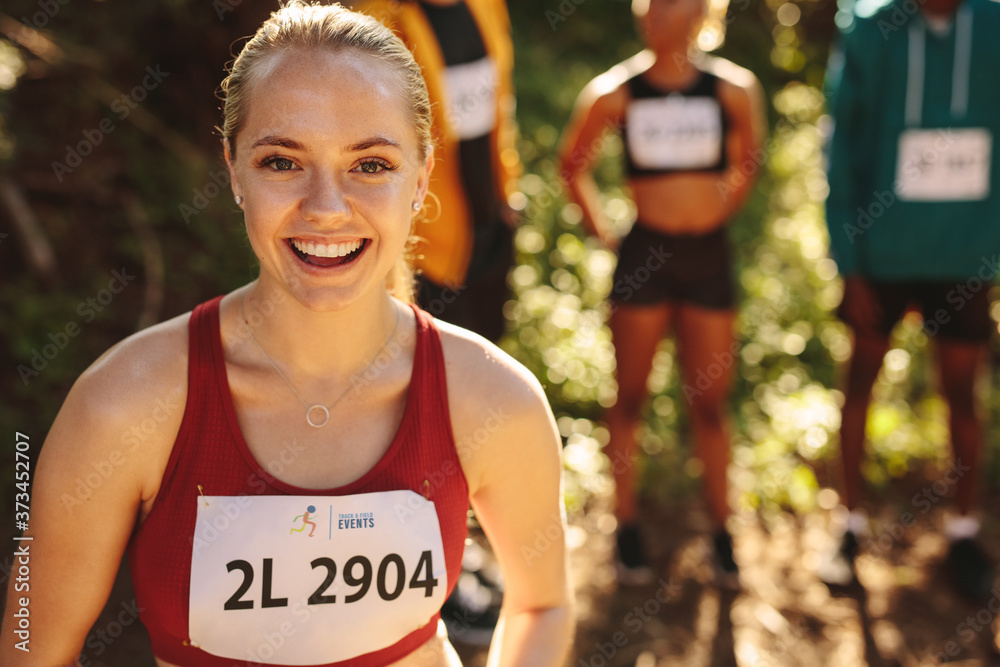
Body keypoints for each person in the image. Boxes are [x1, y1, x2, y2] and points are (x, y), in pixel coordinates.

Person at [0, 3, 572, 665]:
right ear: (234, 168)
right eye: (281, 162)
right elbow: (28, 648)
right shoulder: (123, 402)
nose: (326, 208)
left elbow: (542, 604)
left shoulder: (493, 398)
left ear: (421, 178)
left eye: (371, 165)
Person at [559, 0, 764, 586]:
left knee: (711, 404)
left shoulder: (732, 90)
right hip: (644, 255)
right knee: (628, 398)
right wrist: (604, 233)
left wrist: (720, 209)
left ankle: (723, 532)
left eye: (669, 3)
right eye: (647, 4)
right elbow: (572, 164)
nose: (652, 12)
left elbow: (749, 159)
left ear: (700, 12)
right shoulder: (615, 91)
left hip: (707, 257)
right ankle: (626, 527)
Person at [822, 0, 1000, 599]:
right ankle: (848, 527)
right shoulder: (874, 28)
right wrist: (850, 262)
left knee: (962, 394)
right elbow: (842, 143)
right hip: (884, 255)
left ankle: (963, 533)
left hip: (967, 252)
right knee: (860, 382)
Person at [349, 0, 522, 344]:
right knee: (434, 359)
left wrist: (507, 187)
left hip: (490, 218)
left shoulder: (486, 6)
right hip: (426, 237)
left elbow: (501, 99)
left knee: (486, 354)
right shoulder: (380, 18)